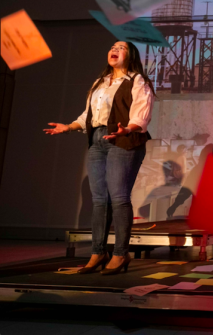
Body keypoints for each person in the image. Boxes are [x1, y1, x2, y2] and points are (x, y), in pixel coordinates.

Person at [44, 41, 154, 275]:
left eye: (121, 47)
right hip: (97, 140)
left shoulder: (137, 81)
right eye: (113, 46)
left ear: (131, 55)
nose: (115, 49)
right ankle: (98, 252)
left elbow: (141, 116)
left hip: (124, 140)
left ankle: (120, 254)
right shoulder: (100, 83)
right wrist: (69, 126)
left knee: (119, 198)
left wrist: (127, 129)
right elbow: (88, 115)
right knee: (99, 200)